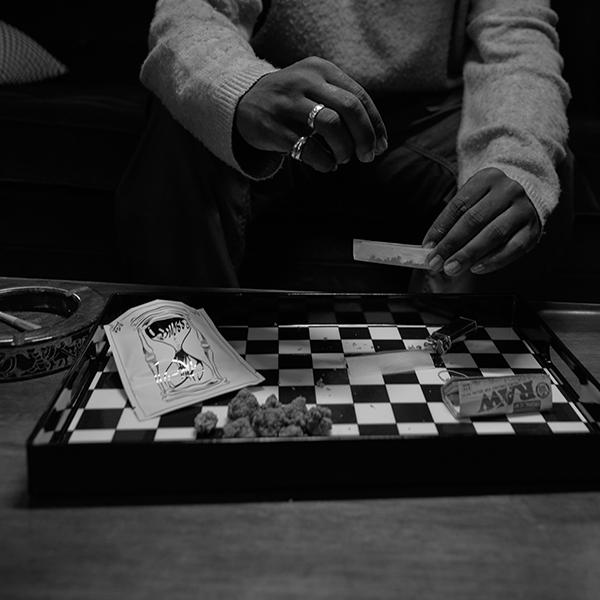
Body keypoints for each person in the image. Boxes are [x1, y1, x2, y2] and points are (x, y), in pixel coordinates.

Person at [117, 0, 572, 293]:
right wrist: (241, 88)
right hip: (286, 102)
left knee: (529, 177)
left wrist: (515, 162)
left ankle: (458, 377)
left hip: (422, 122)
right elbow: (193, 14)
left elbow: (516, 40)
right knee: (179, 122)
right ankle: (189, 368)